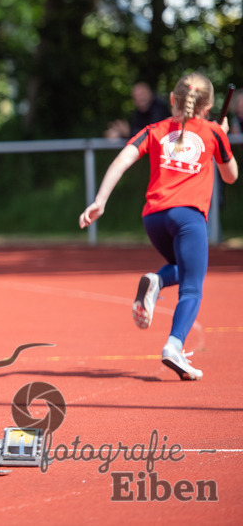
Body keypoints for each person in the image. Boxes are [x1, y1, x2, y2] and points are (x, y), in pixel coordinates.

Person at [79, 72, 237, 381]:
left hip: (154, 218)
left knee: (183, 266)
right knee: (193, 284)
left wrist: (100, 200)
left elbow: (123, 159)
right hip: (188, 217)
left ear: (173, 100)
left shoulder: (155, 129)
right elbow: (230, 176)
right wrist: (223, 136)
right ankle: (174, 346)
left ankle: (156, 280)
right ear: (208, 107)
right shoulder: (213, 132)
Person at [104, 81, 171, 140]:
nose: (139, 98)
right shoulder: (138, 113)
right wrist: (119, 133)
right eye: (136, 96)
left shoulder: (159, 108)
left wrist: (128, 132)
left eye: (142, 94)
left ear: (150, 94)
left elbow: (153, 133)